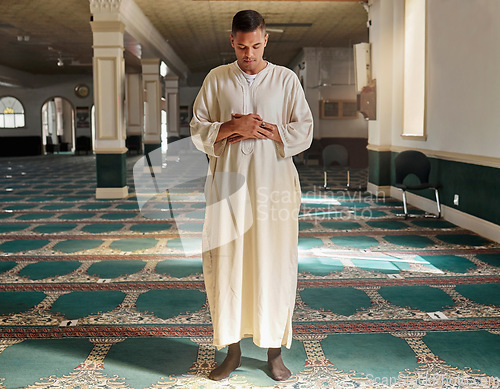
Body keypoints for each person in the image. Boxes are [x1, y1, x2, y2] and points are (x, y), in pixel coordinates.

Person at [190, 9, 313, 381]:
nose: (249, 54)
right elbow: (197, 130)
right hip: (229, 191)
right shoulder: (216, 79)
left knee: (273, 265)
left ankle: (274, 352)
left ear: (266, 40)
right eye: (242, 47)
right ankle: (233, 351)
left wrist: (272, 132)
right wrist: (232, 126)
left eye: (256, 45)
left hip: (273, 192)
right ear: (232, 41)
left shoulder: (286, 80)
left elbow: (303, 129)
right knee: (228, 264)